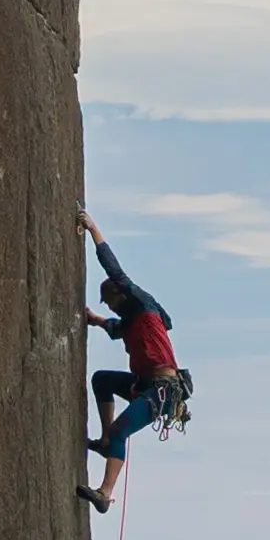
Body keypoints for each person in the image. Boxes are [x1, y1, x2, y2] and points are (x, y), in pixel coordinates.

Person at [79, 213, 185, 515]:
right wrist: (98, 321)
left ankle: (105, 493)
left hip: (164, 391)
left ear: (119, 295)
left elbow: (116, 271)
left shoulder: (139, 303)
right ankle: (104, 440)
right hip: (146, 385)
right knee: (102, 380)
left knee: (121, 431)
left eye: (109, 301)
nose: (110, 306)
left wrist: (93, 229)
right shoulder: (134, 319)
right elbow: (118, 329)